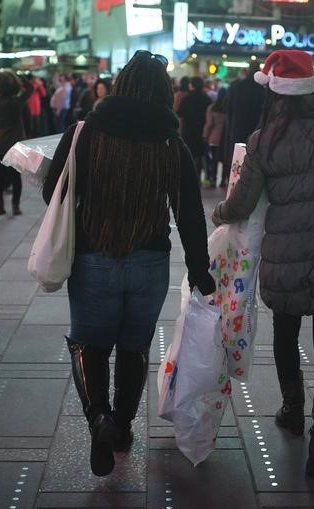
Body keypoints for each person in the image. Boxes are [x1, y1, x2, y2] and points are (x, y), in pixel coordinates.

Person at [43, 50, 215, 477]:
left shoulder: (84, 133)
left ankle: (98, 418)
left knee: (89, 344)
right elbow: (189, 213)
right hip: (150, 261)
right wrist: (199, 271)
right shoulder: (171, 143)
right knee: (134, 349)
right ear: (162, 92)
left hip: (93, 258)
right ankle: (122, 427)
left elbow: (53, 192)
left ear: (120, 85)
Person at [211, 50, 314, 478]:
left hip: (283, 255)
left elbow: (243, 202)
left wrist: (220, 215)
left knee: (285, 333)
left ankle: (293, 407)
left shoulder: (264, 139)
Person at [0, 69, 32, 216]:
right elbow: (30, 88)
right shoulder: (17, 102)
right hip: (15, 145)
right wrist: (18, 75)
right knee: (16, 177)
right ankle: (15, 205)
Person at [224, 61, 266, 182]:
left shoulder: (235, 86)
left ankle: (232, 181)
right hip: (255, 131)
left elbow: (227, 106)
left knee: (236, 159)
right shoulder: (262, 90)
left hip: (236, 128)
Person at [177, 76, 212, 179]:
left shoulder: (187, 98)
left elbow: (180, 113)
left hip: (188, 130)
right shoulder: (206, 98)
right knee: (200, 154)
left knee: (189, 153)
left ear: (191, 85)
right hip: (201, 130)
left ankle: (188, 176)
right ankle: (198, 176)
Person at [202, 87, 226, 187]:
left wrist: (205, 136)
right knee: (225, 161)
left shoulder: (212, 108)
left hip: (213, 139)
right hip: (225, 139)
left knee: (213, 161)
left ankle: (213, 179)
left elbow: (209, 124)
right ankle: (223, 181)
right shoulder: (229, 108)